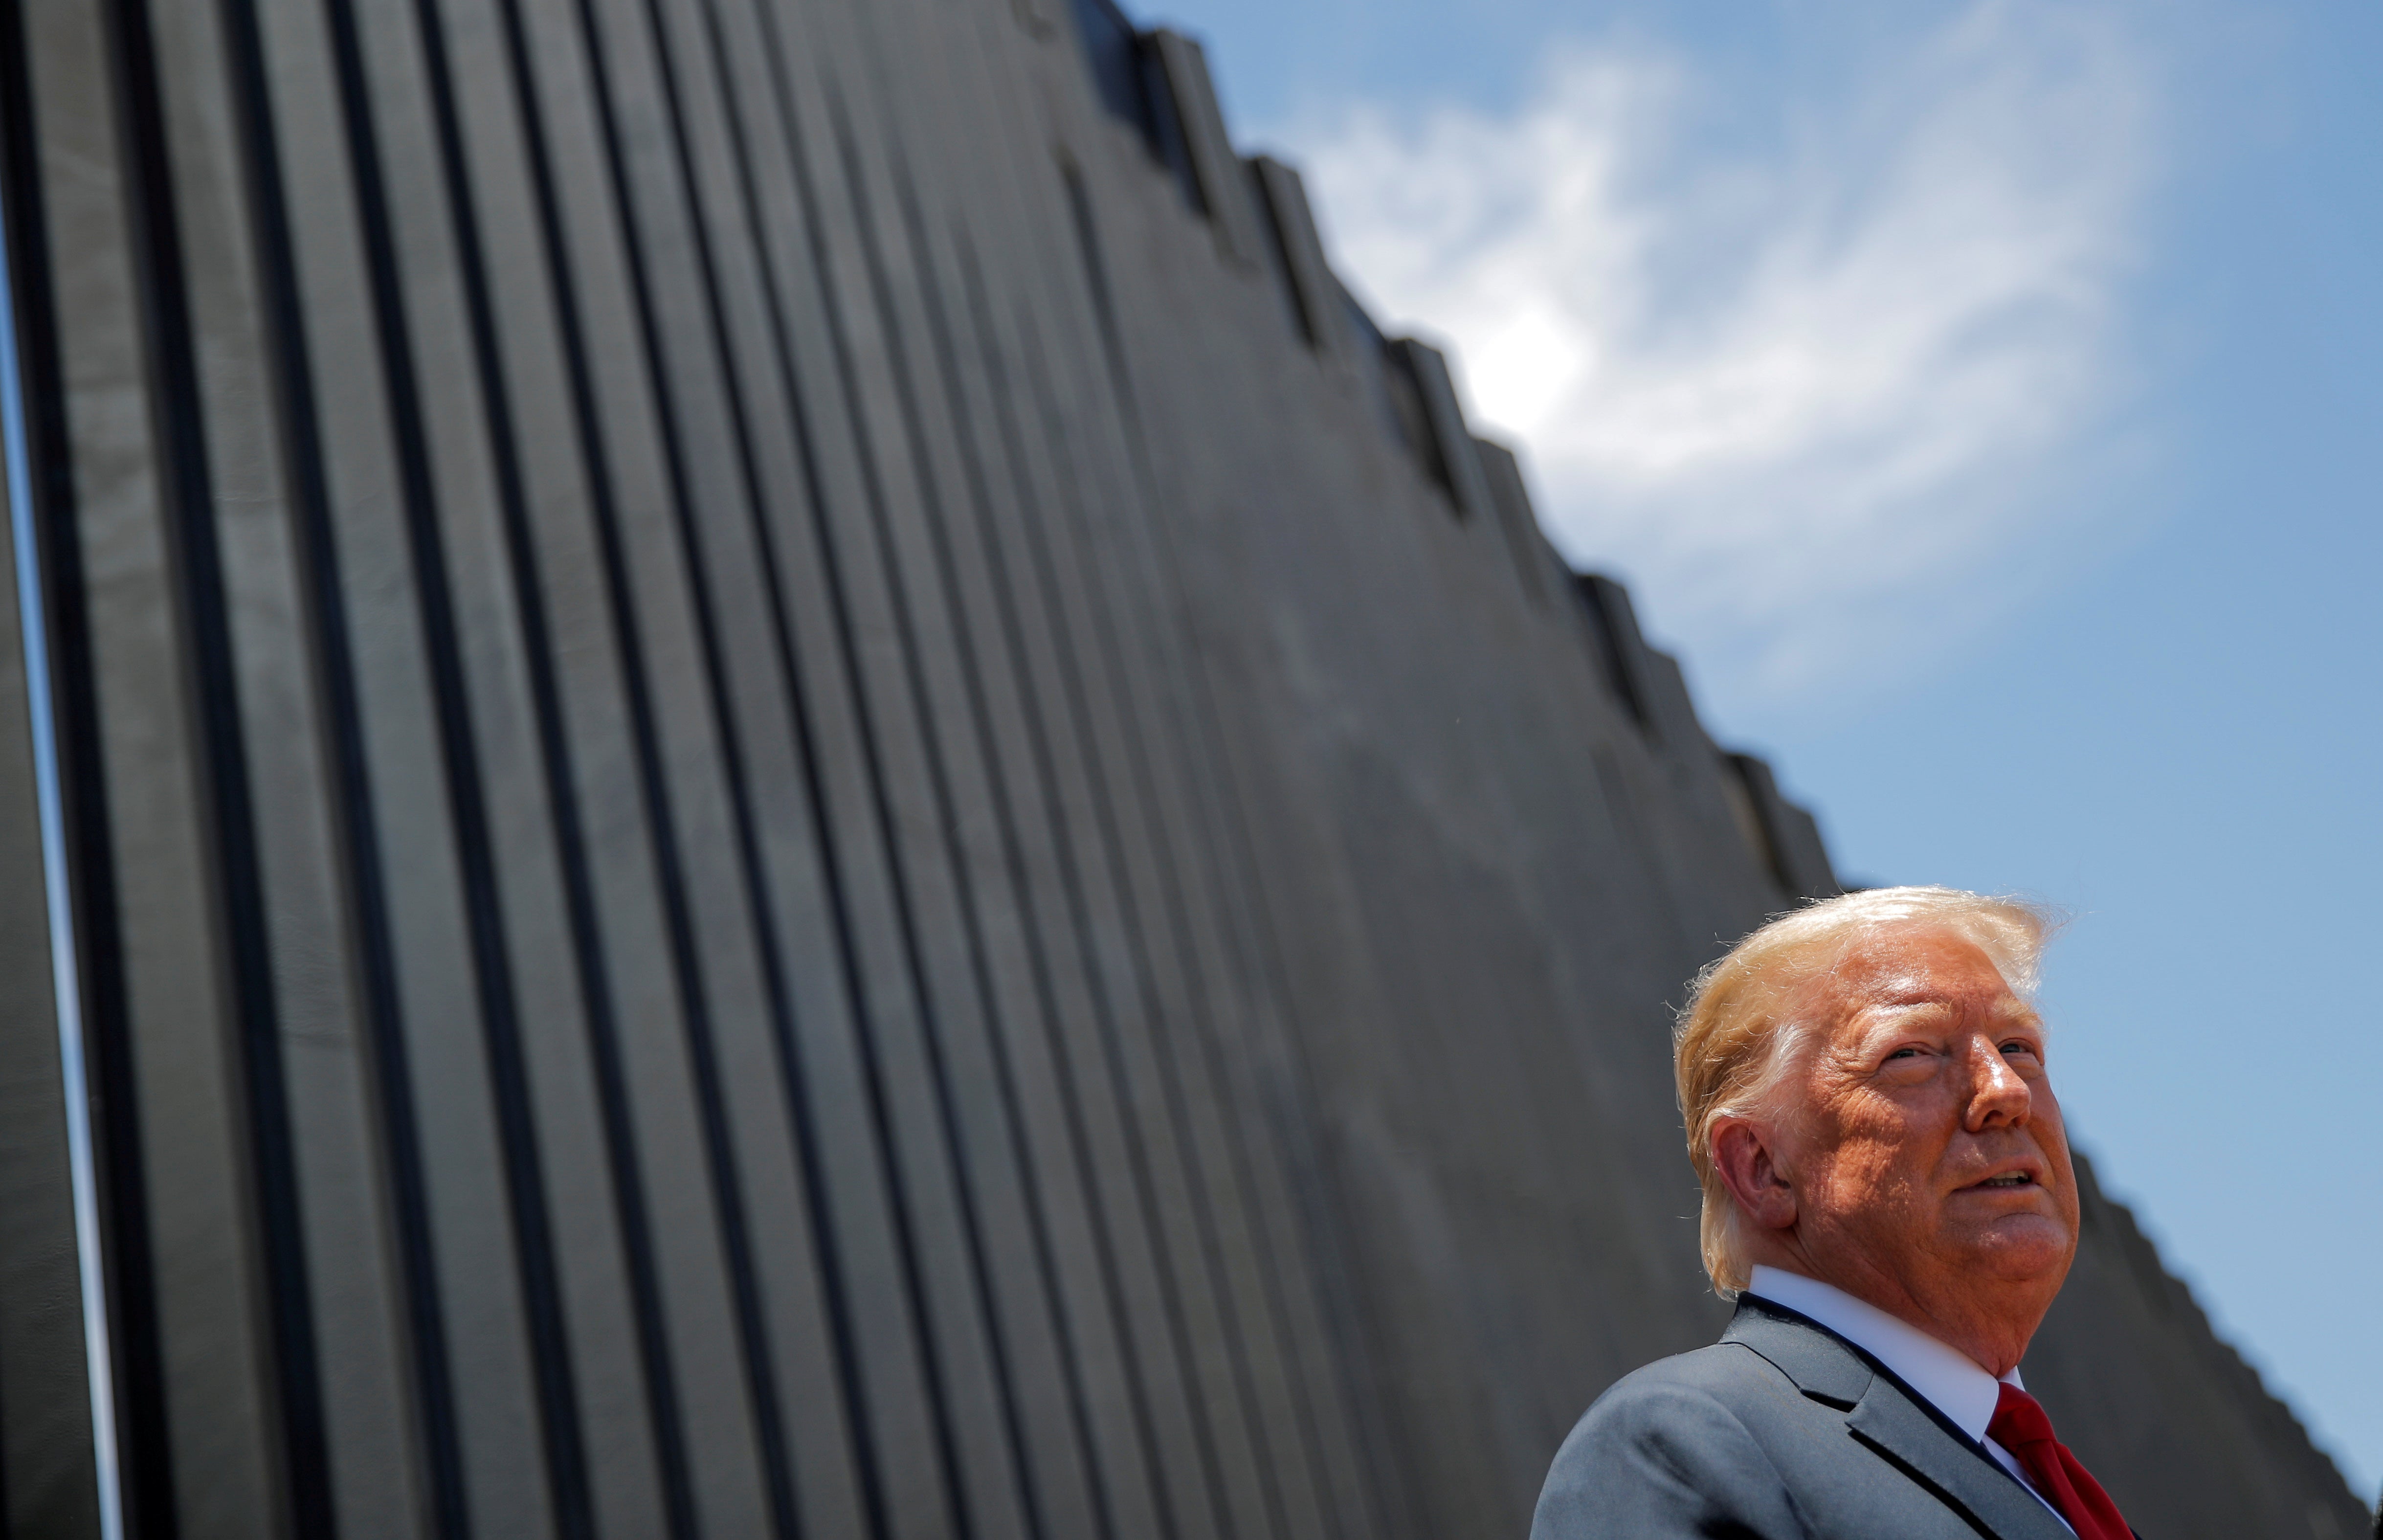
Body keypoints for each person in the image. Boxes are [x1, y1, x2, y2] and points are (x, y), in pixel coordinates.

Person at [1532, 886, 2137, 1539]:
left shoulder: (2050, 1486)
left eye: (2019, 1046)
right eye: (1910, 1052)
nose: (2006, 1090)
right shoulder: (1685, 1443)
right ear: (1762, 1167)